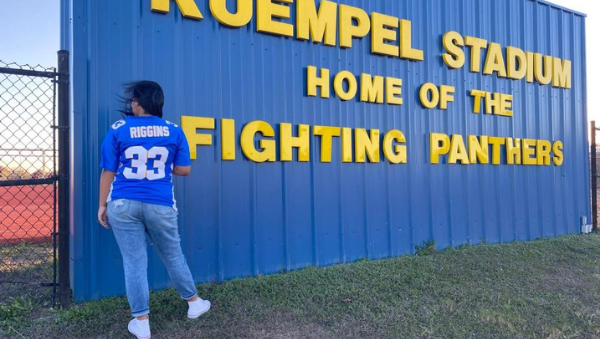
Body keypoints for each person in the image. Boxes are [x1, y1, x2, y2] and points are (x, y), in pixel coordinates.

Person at [97, 81, 210, 339]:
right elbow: (184, 170)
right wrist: (157, 166)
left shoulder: (119, 128)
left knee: (134, 263)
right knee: (173, 256)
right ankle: (194, 304)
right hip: (160, 202)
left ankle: (142, 322)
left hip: (123, 202)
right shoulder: (173, 130)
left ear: (138, 102)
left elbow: (109, 170)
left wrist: (102, 204)